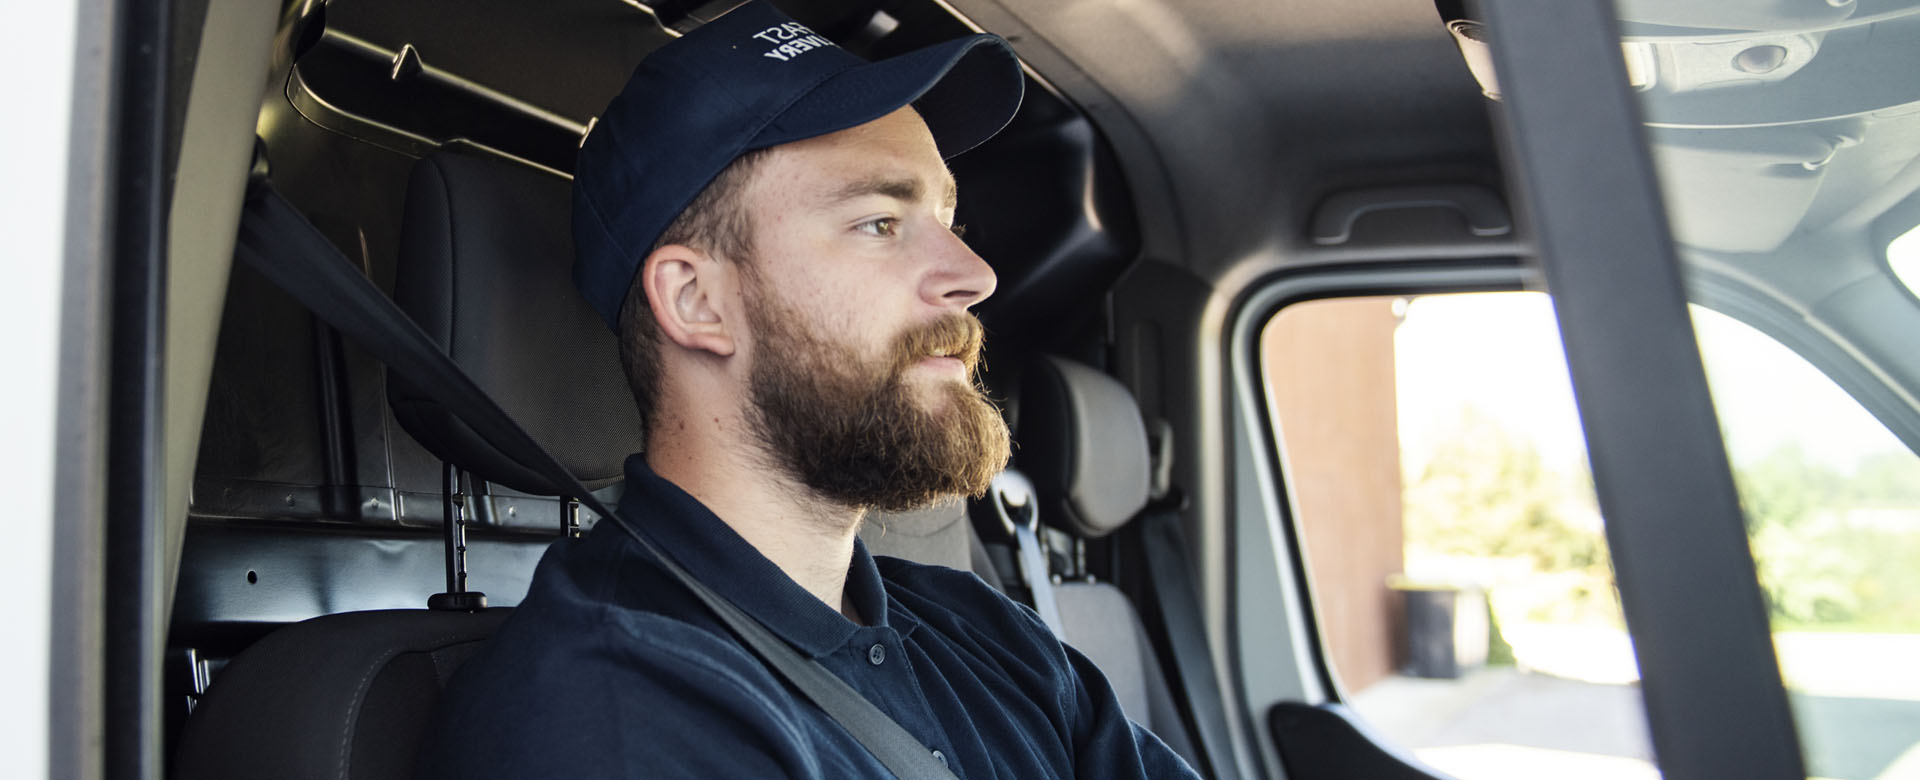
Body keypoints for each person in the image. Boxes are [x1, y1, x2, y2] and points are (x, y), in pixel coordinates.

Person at [415, 3, 1197, 777]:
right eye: (879, 223)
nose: (975, 276)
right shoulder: (609, 717)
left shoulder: (986, 634)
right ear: (697, 302)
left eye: (950, 218)